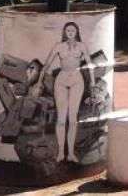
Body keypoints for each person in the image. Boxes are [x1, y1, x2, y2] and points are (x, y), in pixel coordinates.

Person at [42, 22, 96, 163]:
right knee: (61, 119)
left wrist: (93, 82)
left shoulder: (82, 46)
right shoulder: (59, 46)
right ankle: (61, 152)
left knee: (72, 118)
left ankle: (71, 153)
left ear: (76, 32)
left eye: (73, 30)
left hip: (77, 79)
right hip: (61, 79)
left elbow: (90, 64)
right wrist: (38, 81)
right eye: (68, 30)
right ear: (64, 32)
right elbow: (47, 64)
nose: (70, 33)